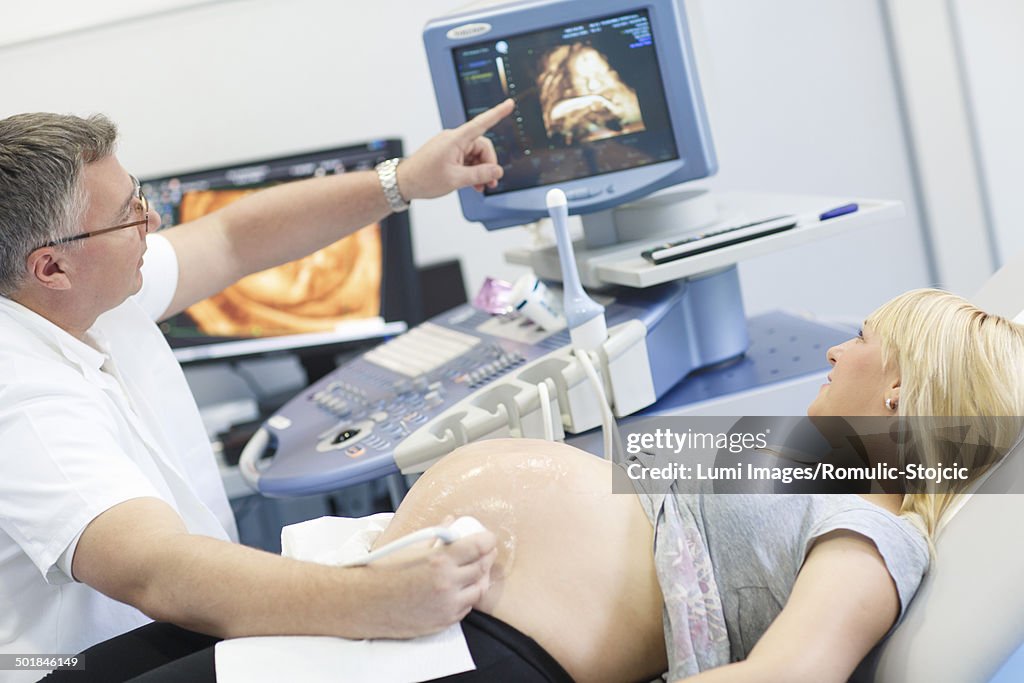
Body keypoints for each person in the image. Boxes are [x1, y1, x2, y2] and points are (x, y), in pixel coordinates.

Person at [0, 100, 513, 680]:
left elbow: (233, 237)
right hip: (68, 666)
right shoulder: (23, 402)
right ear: (51, 268)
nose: (154, 223)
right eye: (129, 215)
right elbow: (155, 570)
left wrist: (406, 181)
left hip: (169, 623)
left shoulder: (84, 293)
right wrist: (375, 599)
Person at [372, 288, 1024, 682]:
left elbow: (795, 673)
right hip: (456, 614)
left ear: (898, 390)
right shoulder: (809, 470)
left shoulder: (876, 535)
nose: (834, 352)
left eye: (860, 338)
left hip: (505, 644)